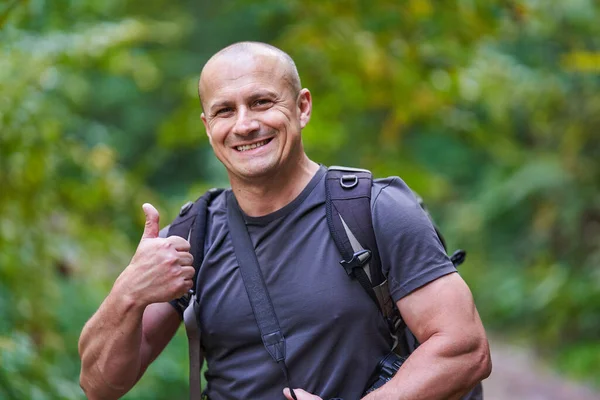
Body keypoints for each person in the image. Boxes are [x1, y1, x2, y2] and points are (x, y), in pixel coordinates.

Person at [78, 41, 492, 400]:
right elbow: (100, 385)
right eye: (225, 110)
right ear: (208, 127)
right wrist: (127, 293)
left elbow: (464, 349)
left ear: (302, 107)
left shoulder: (374, 210)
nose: (245, 124)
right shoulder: (192, 236)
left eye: (261, 102)